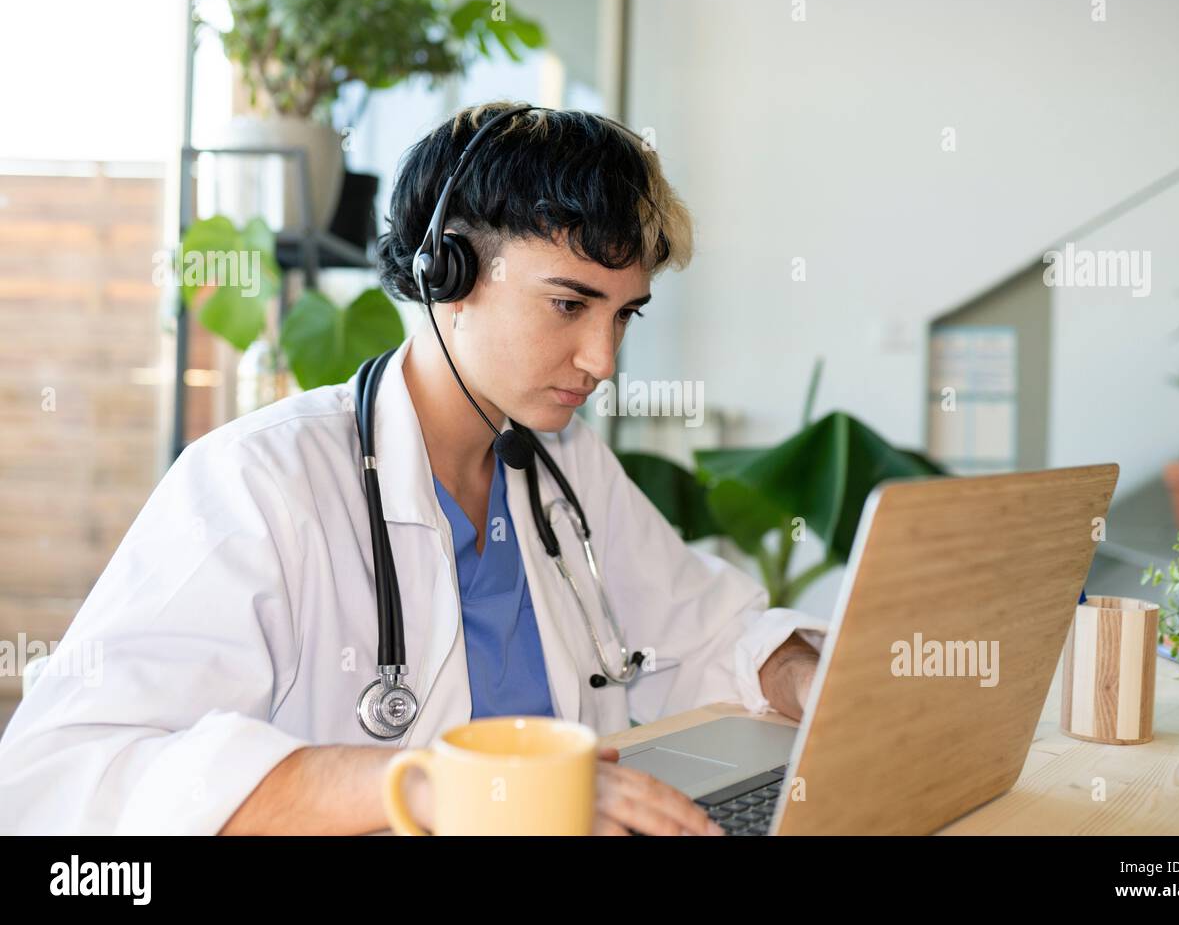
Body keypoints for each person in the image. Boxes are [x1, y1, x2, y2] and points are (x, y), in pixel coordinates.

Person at [0, 101, 827, 835]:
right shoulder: (259, 484)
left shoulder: (565, 469)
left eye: (624, 315)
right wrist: (445, 788)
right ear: (449, 275)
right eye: (570, 305)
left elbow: (706, 628)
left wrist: (810, 679)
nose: (602, 359)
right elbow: (64, 780)